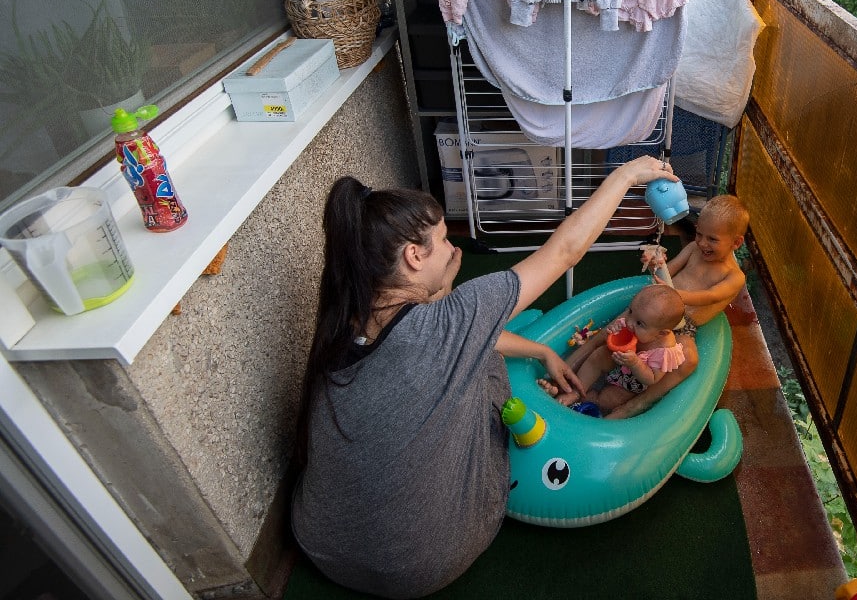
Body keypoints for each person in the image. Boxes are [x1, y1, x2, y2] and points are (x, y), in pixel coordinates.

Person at [290, 156, 677, 599]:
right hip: (417, 569)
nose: (451, 247)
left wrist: (542, 350)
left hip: (320, 544)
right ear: (414, 256)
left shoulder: (344, 317)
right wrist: (626, 176)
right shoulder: (447, 323)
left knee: (468, 352)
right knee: (483, 362)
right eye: (442, 239)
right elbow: (565, 251)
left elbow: (447, 336)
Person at [607, 193, 750, 420]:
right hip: (662, 307)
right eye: (699, 234)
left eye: (712, 239)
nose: (702, 243)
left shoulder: (734, 277)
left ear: (736, 242)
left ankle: (637, 404)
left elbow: (709, 296)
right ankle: (583, 354)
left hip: (685, 323)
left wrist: (675, 294)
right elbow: (667, 271)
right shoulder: (693, 249)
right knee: (625, 319)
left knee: (690, 360)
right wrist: (656, 265)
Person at [542, 284, 687, 414]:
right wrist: (614, 333)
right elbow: (614, 338)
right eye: (630, 311)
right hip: (618, 361)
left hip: (630, 383)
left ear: (661, 333)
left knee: (607, 400)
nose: (629, 323)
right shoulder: (633, 322)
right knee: (598, 355)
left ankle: (590, 398)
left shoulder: (664, 350)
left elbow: (652, 379)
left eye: (639, 323)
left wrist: (635, 363)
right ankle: (576, 391)